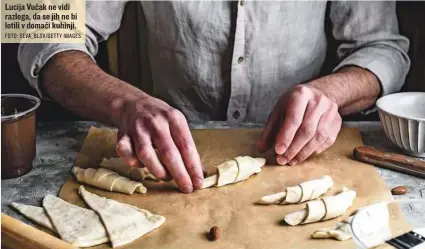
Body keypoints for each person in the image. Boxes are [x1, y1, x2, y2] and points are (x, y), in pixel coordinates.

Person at [18, 1, 410, 193]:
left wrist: (331, 92)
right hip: (158, 161)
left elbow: (383, 48)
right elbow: (37, 29)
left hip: (301, 159)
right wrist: (124, 103)